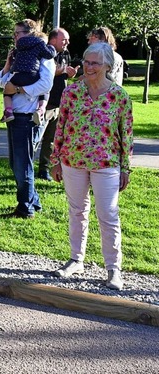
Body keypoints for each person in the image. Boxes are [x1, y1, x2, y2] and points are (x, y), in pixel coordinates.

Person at [50, 42, 133, 291]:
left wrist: (126, 168)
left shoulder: (119, 96)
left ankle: (113, 269)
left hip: (106, 164)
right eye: (86, 61)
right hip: (72, 161)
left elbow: (126, 135)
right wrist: (55, 160)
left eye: (95, 62)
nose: (89, 66)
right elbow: (61, 127)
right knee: (77, 211)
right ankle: (76, 259)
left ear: (108, 65)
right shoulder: (71, 92)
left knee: (108, 215)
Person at [0, 19, 55, 219]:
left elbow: (46, 85)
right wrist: (7, 64)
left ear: (30, 33)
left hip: (28, 118)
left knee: (23, 165)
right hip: (15, 117)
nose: (15, 37)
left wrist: (19, 89)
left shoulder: (43, 54)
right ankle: (33, 202)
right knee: (16, 164)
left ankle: (25, 208)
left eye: (17, 33)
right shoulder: (18, 55)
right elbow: (3, 83)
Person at [36, 28, 78, 181]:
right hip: (44, 104)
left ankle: (44, 169)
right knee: (36, 138)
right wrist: (60, 71)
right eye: (64, 39)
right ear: (53, 40)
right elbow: (40, 74)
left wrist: (70, 74)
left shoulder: (65, 54)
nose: (67, 42)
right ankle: (25, 168)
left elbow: (63, 73)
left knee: (51, 140)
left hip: (59, 105)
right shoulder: (44, 53)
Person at [0, 30, 56, 125]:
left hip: (18, 74)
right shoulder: (40, 44)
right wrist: (51, 48)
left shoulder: (20, 44)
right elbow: (49, 54)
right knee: (44, 92)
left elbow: (2, 82)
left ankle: (8, 111)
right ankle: (41, 110)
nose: (15, 36)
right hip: (33, 74)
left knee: (7, 90)